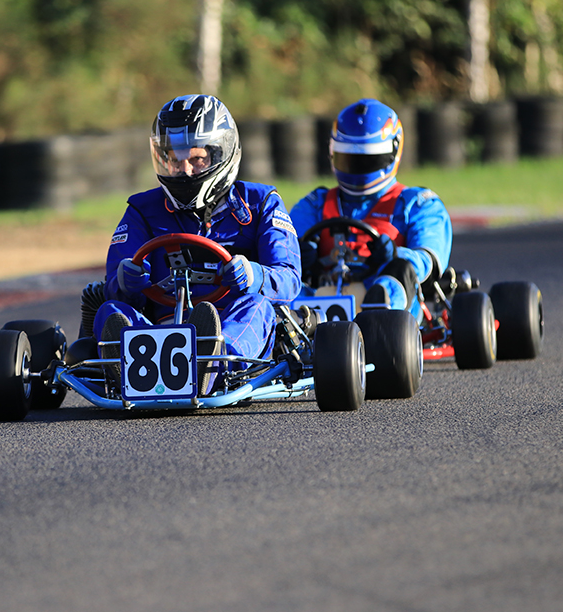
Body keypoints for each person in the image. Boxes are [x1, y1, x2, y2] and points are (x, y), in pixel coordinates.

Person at [93, 94, 302, 392]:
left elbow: (291, 279)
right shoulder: (142, 209)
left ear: (221, 155)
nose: (185, 170)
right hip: (159, 327)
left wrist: (255, 275)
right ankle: (133, 368)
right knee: (110, 311)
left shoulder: (260, 203)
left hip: (232, 320)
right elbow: (115, 281)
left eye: (196, 158)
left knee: (257, 305)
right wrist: (125, 281)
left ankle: (213, 361)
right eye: (175, 160)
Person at [289, 98, 452, 323]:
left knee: (401, 268)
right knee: (282, 276)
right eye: (349, 159)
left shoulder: (417, 203)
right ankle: (294, 328)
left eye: (367, 160)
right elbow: (280, 247)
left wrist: (394, 255)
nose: (357, 168)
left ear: (391, 152)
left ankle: (380, 319)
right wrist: (299, 254)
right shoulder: (316, 203)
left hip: (388, 301)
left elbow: (428, 260)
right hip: (320, 300)